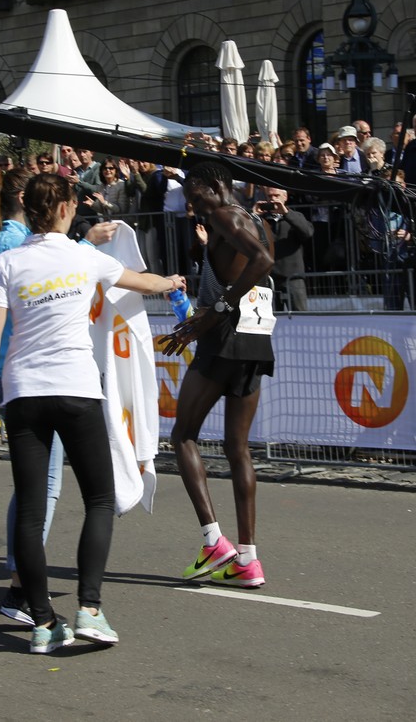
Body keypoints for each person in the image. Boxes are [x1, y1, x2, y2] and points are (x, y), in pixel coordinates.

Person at [0, 172, 183, 654]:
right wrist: (172, 282)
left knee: (29, 509)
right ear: (65, 209)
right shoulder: (86, 257)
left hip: (23, 391)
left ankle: (43, 623)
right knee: (99, 500)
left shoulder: (6, 262)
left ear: (30, 209)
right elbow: (142, 282)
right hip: (77, 389)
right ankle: (89, 609)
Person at [160, 161, 275, 590]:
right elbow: (258, 264)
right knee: (237, 448)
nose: (194, 205)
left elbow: (262, 261)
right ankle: (248, 559)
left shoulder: (226, 215)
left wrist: (216, 312)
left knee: (183, 436)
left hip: (225, 338)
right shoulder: (258, 222)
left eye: (196, 195)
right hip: (256, 342)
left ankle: (213, 541)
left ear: (216, 185)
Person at [258, 186, 313, 312]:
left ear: (285, 197)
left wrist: (286, 213)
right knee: (271, 318)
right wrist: (254, 215)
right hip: (269, 279)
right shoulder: (262, 220)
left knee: (300, 317)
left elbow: (308, 232)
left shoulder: (295, 217)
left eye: (276, 196)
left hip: (293, 278)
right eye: (270, 196)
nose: (273, 199)